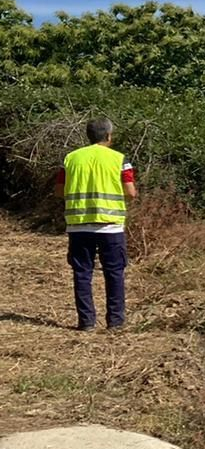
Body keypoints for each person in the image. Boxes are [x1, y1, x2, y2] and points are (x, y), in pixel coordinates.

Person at [54, 118, 137, 332]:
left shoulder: (71, 158)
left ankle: (86, 322)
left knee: (82, 273)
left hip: (78, 225)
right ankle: (116, 322)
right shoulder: (119, 159)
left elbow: (59, 191)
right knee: (114, 272)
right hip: (110, 226)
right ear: (109, 135)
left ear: (88, 135)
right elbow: (130, 191)